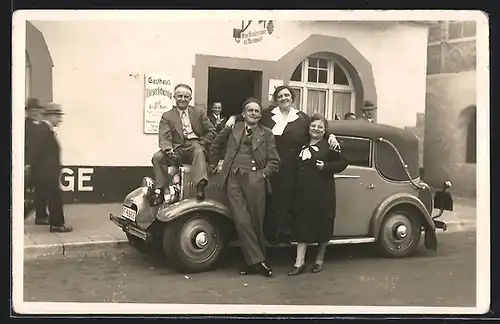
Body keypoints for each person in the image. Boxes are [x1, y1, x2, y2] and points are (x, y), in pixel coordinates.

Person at [225, 85, 340, 244]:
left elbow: (318, 129)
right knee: (268, 199)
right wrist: (233, 117)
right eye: (280, 96)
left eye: (287, 95)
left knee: (288, 200)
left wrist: (331, 135)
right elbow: (249, 115)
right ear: (276, 99)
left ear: (292, 98)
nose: (284, 98)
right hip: (268, 164)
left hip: (293, 166)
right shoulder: (267, 114)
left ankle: (286, 235)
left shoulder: (301, 117)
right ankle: (268, 237)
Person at [209, 97, 280, 278]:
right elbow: (216, 143)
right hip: (233, 178)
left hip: (255, 179)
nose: (254, 114)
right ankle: (258, 262)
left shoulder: (267, 134)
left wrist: (261, 175)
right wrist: (213, 163)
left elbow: (274, 161)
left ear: (260, 115)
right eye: (250, 110)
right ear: (243, 113)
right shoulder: (234, 127)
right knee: (241, 220)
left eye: (257, 111)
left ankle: (254, 262)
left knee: (256, 220)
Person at [288, 114, 348, 276]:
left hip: (322, 192)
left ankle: (319, 260)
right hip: (302, 192)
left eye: (320, 127)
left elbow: (343, 162)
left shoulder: (329, 145)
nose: (316, 129)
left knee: (323, 225)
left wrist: (326, 166)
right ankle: (299, 262)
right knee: (302, 225)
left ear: (325, 130)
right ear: (309, 128)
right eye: (313, 126)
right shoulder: (301, 144)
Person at [151, 83, 216, 203]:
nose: (183, 99)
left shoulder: (199, 113)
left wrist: (202, 142)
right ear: (174, 97)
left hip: (194, 144)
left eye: (186, 97)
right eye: (179, 96)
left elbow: (211, 131)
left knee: (199, 151)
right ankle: (160, 191)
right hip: (176, 147)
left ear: (190, 99)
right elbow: (164, 136)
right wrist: (167, 149)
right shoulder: (167, 116)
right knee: (157, 157)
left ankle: (200, 187)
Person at [30, 103, 73, 232]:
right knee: (55, 198)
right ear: (51, 116)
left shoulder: (44, 130)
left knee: (44, 196)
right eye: (58, 116)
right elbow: (37, 152)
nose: (60, 120)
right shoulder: (44, 131)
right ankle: (57, 225)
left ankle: (42, 218)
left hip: (45, 171)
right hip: (47, 172)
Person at [24, 98, 44, 217]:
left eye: (36, 110)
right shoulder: (26, 125)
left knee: (40, 189)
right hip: (30, 162)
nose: (35, 112)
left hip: (39, 162)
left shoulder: (40, 124)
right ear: (28, 111)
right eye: (32, 110)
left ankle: (41, 214)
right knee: (32, 190)